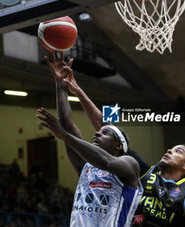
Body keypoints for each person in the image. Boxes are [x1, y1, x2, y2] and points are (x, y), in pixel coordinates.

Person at [44, 53, 185, 227]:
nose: (170, 150)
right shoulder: (145, 172)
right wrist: (77, 90)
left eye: (178, 151)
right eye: (171, 148)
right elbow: (106, 128)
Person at [37, 53, 143, 227]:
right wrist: (60, 86)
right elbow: (68, 126)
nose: (97, 134)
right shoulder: (86, 166)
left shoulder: (130, 165)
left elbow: (106, 162)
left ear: (119, 145)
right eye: (98, 132)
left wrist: (64, 135)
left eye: (105, 133)